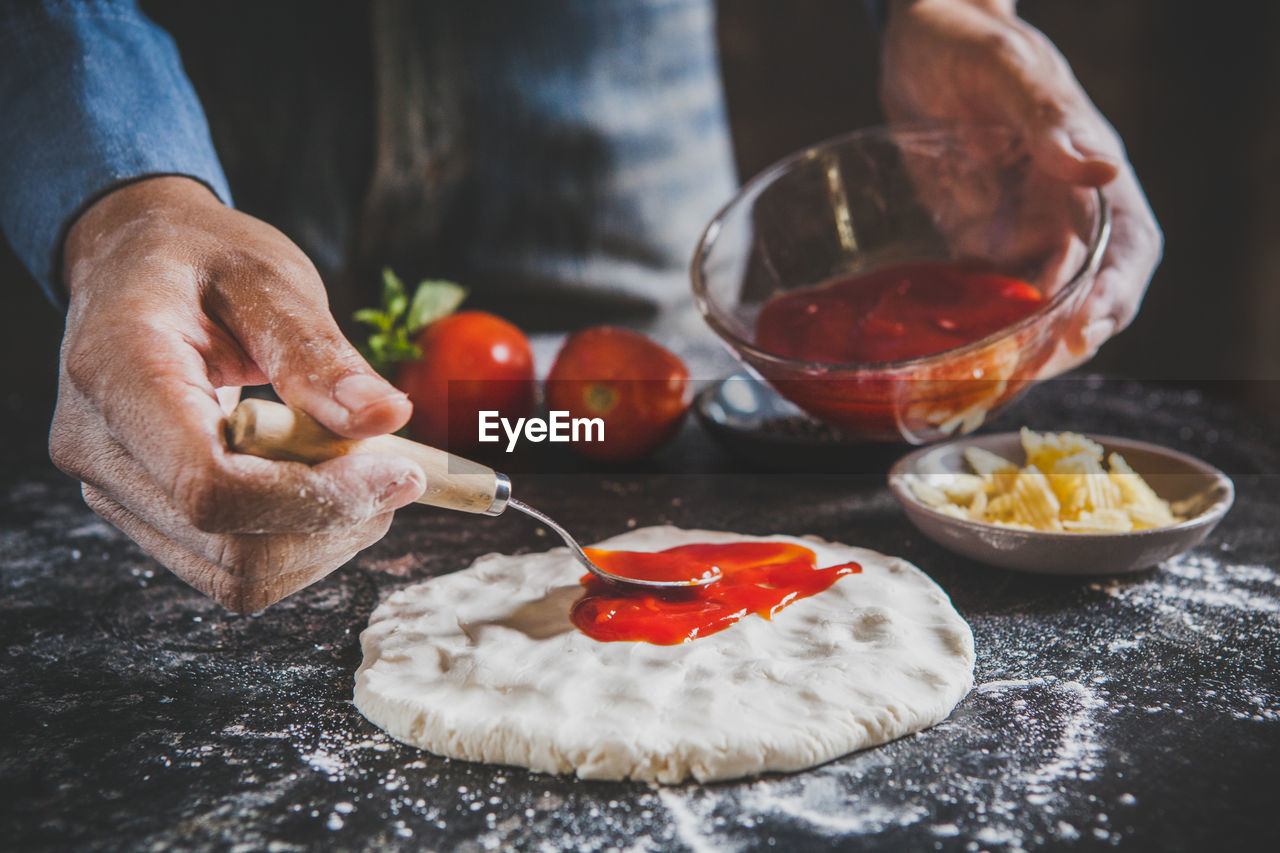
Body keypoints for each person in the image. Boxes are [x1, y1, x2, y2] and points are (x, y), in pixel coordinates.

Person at [0, 0, 1161, 612]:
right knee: (175, 449)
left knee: (662, 443)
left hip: (605, 97)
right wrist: (121, 183)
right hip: (194, 106)